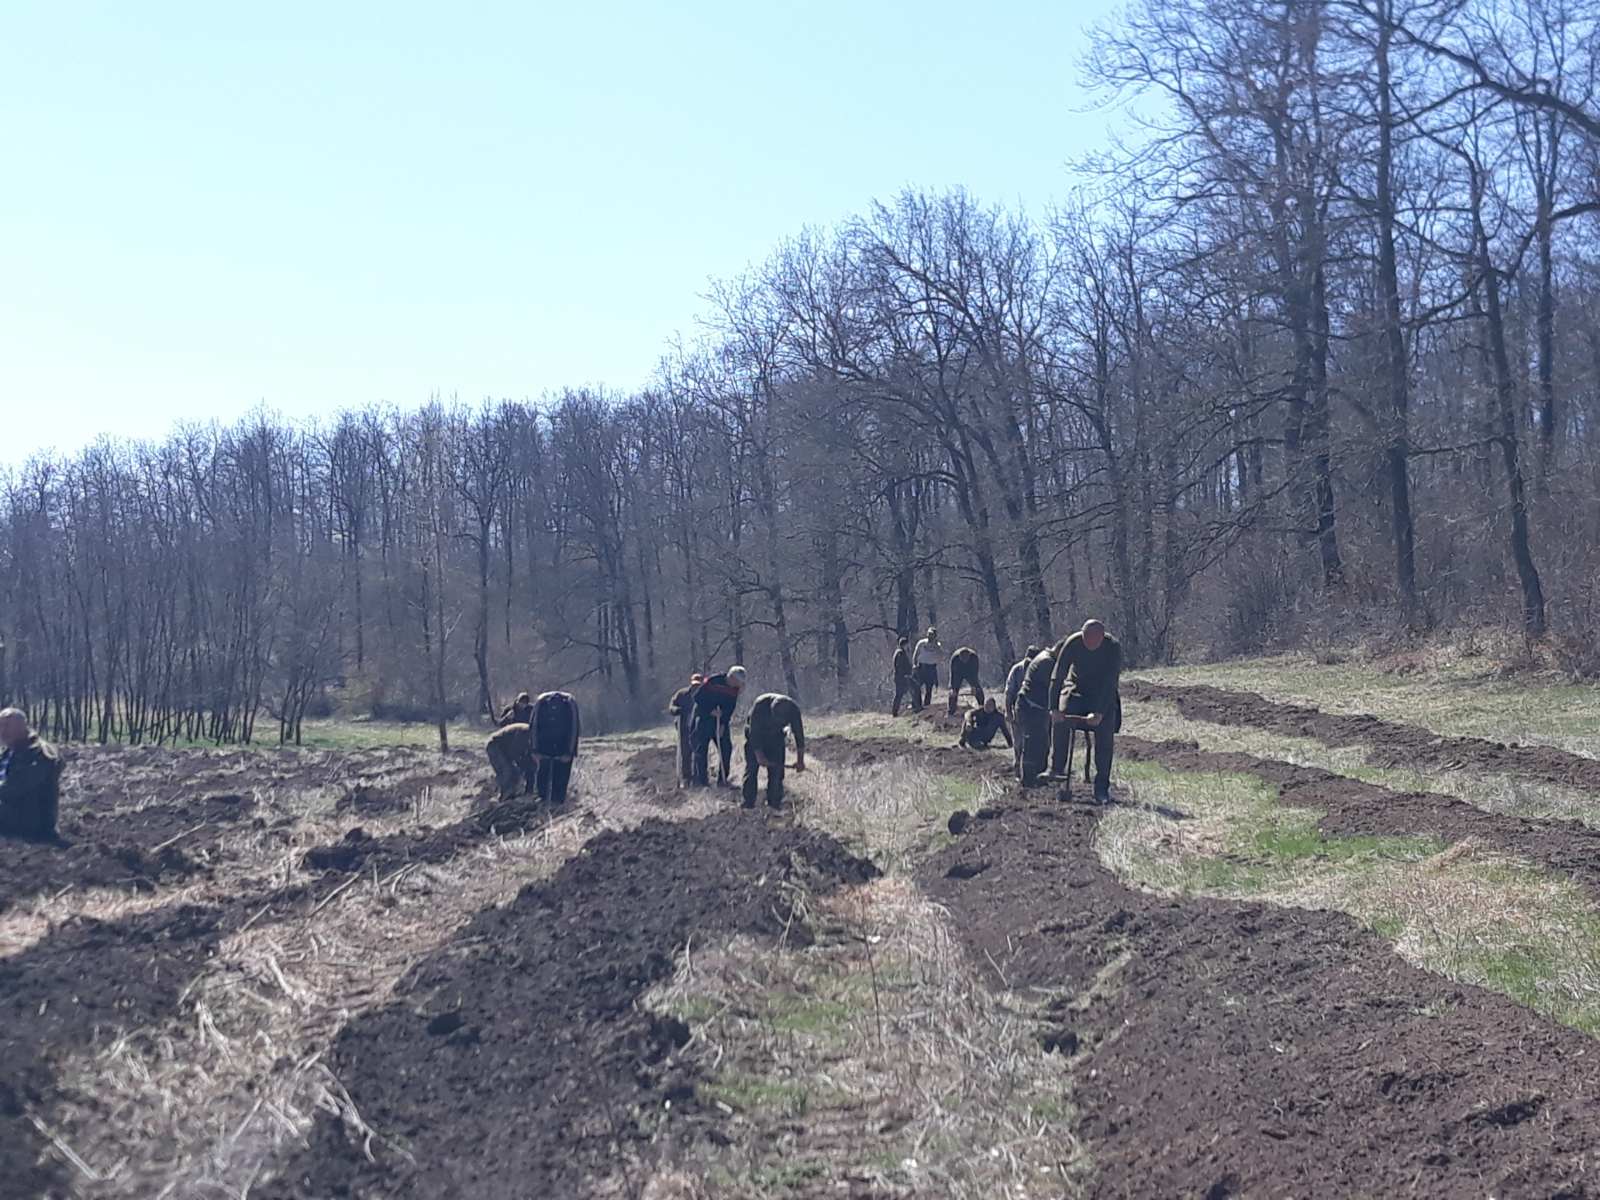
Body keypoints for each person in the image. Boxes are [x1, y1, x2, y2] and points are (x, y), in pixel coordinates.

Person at [1047, 619, 1123, 803]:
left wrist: (1099, 713)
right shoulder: (1073, 643)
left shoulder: (1113, 647)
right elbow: (1058, 675)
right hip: (1077, 690)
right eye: (1085, 639)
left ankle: (1101, 787)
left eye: (1092, 642)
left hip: (1102, 695)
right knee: (1061, 717)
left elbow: (1110, 683)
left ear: (1101, 638)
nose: (1088, 644)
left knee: (1105, 735)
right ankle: (1057, 768)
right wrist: (1054, 708)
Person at [0, 708, 62, 842]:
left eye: (7, 726)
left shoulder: (40, 753)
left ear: (22, 727)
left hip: (31, 820)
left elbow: (16, 787)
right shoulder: (10, 751)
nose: (2, 731)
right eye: (1, 725)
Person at [742, 692, 806, 810]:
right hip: (755, 737)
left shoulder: (793, 710)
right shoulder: (760, 705)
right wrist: (760, 756)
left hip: (776, 738)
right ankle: (748, 804)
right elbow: (754, 734)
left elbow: (799, 736)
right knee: (751, 769)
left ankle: (774, 804)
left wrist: (800, 761)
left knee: (777, 773)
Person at [691, 665, 746, 787]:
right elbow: (697, 697)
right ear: (731, 678)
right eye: (738, 681)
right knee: (701, 750)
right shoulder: (713, 681)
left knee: (726, 748)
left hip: (720, 721)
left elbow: (730, 709)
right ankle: (702, 782)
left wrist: (723, 724)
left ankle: (722, 780)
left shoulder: (734, 690)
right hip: (704, 719)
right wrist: (710, 710)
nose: (739, 684)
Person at [1013, 645, 1057, 787]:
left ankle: (1039, 775)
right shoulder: (1047, 662)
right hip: (1030, 707)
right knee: (1032, 743)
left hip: (1037, 707)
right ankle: (1028, 779)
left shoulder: (1046, 659)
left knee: (1042, 742)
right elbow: (1052, 686)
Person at [530, 690, 582, 806]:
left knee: (546, 779)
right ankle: (552, 804)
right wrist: (570, 752)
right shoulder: (569, 702)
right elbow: (575, 728)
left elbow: (533, 726)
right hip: (558, 748)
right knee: (556, 780)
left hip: (547, 748)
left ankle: (548, 804)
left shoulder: (542, 701)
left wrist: (534, 750)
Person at [1004, 646, 1039, 767]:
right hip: (1018, 709)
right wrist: (1008, 711)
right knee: (1018, 741)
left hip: (1035, 711)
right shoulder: (1017, 670)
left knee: (1033, 741)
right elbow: (1009, 693)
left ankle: (1032, 765)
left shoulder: (1039, 669)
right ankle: (1018, 764)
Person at [668, 673, 705, 785]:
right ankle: (686, 778)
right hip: (683, 727)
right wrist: (677, 710)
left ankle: (698, 777)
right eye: (694, 685)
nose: (696, 687)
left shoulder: (705, 695)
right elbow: (671, 706)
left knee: (698, 752)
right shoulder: (681, 694)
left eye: (698, 685)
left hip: (698, 727)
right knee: (685, 752)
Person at [485, 722, 536, 801]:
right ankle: (504, 796)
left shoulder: (532, 737)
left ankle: (511, 794)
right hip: (494, 745)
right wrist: (522, 766)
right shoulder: (524, 733)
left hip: (504, 748)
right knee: (507, 771)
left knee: (515, 772)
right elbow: (514, 752)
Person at [946, 646, 985, 716]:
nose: (964, 661)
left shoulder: (974, 658)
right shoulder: (955, 659)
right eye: (962, 659)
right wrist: (952, 687)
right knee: (953, 691)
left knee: (977, 688)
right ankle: (951, 710)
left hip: (970, 671)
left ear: (969, 656)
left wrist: (974, 686)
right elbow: (952, 674)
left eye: (966, 659)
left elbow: (975, 673)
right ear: (959, 657)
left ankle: (982, 706)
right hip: (958, 672)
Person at [912, 627, 943, 710]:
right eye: (929, 634)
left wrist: (936, 646)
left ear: (935, 636)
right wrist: (914, 664)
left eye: (932, 635)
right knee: (916, 686)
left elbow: (940, 657)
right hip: (921, 667)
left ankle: (926, 706)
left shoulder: (938, 645)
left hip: (931, 668)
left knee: (929, 688)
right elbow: (915, 654)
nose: (930, 636)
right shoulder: (921, 643)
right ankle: (916, 705)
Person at [891, 637, 916, 716]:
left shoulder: (900, 652)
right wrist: (905, 674)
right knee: (900, 694)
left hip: (901, 677)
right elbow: (900, 666)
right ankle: (895, 711)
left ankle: (897, 711)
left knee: (902, 693)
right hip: (901, 677)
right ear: (904, 644)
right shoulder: (900, 653)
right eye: (907, 644)